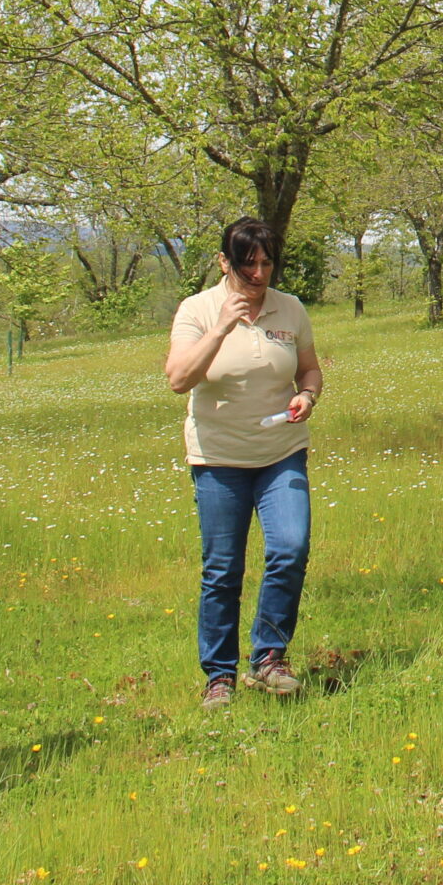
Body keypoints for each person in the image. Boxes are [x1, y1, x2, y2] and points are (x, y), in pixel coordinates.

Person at [165, 217, 324, 708]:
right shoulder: (197, 310)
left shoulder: (289, 309)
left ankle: (269, 658)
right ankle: (219, 676)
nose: (258, 274)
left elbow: (310, 369)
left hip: (281, 453)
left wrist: (307, 396)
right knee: (222, 569)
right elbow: (178, 379)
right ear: (224, 263)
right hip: (219, 459)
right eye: (246, 264)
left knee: (290, 548)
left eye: (266, 263)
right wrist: (221, 328)